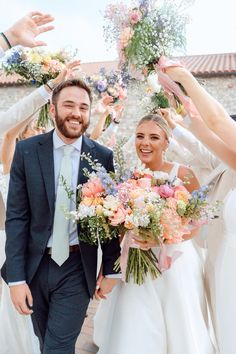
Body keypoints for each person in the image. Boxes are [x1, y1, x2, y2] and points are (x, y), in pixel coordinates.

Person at [1, 78, 120, 354]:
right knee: (45, 343)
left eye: (83, 107)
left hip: (78, 267)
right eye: (69, 105)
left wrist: (112, 267)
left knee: (58, 347)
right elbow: (17, 218)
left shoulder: (103, 156)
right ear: (53, 110)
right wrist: (17, 279)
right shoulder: (27, 151)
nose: (76, 113)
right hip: (35, 265)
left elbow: (113, 215)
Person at [94, 113, 216, 354]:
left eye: (153, 137)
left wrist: (165, 236)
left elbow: (199, 221)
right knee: (135, 322)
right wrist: (111, 267)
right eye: (140, 136)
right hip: (136, 259)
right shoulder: (128, 177)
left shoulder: (184, 174)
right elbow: (119, 227)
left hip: (174, 262)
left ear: (166, 142)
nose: (145, 143)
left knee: (178, 323)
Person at [158, 66, 236, 354]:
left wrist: (186, 76)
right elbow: (206, 132)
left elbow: (216, 121)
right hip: (222, 266)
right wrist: (177, 92)